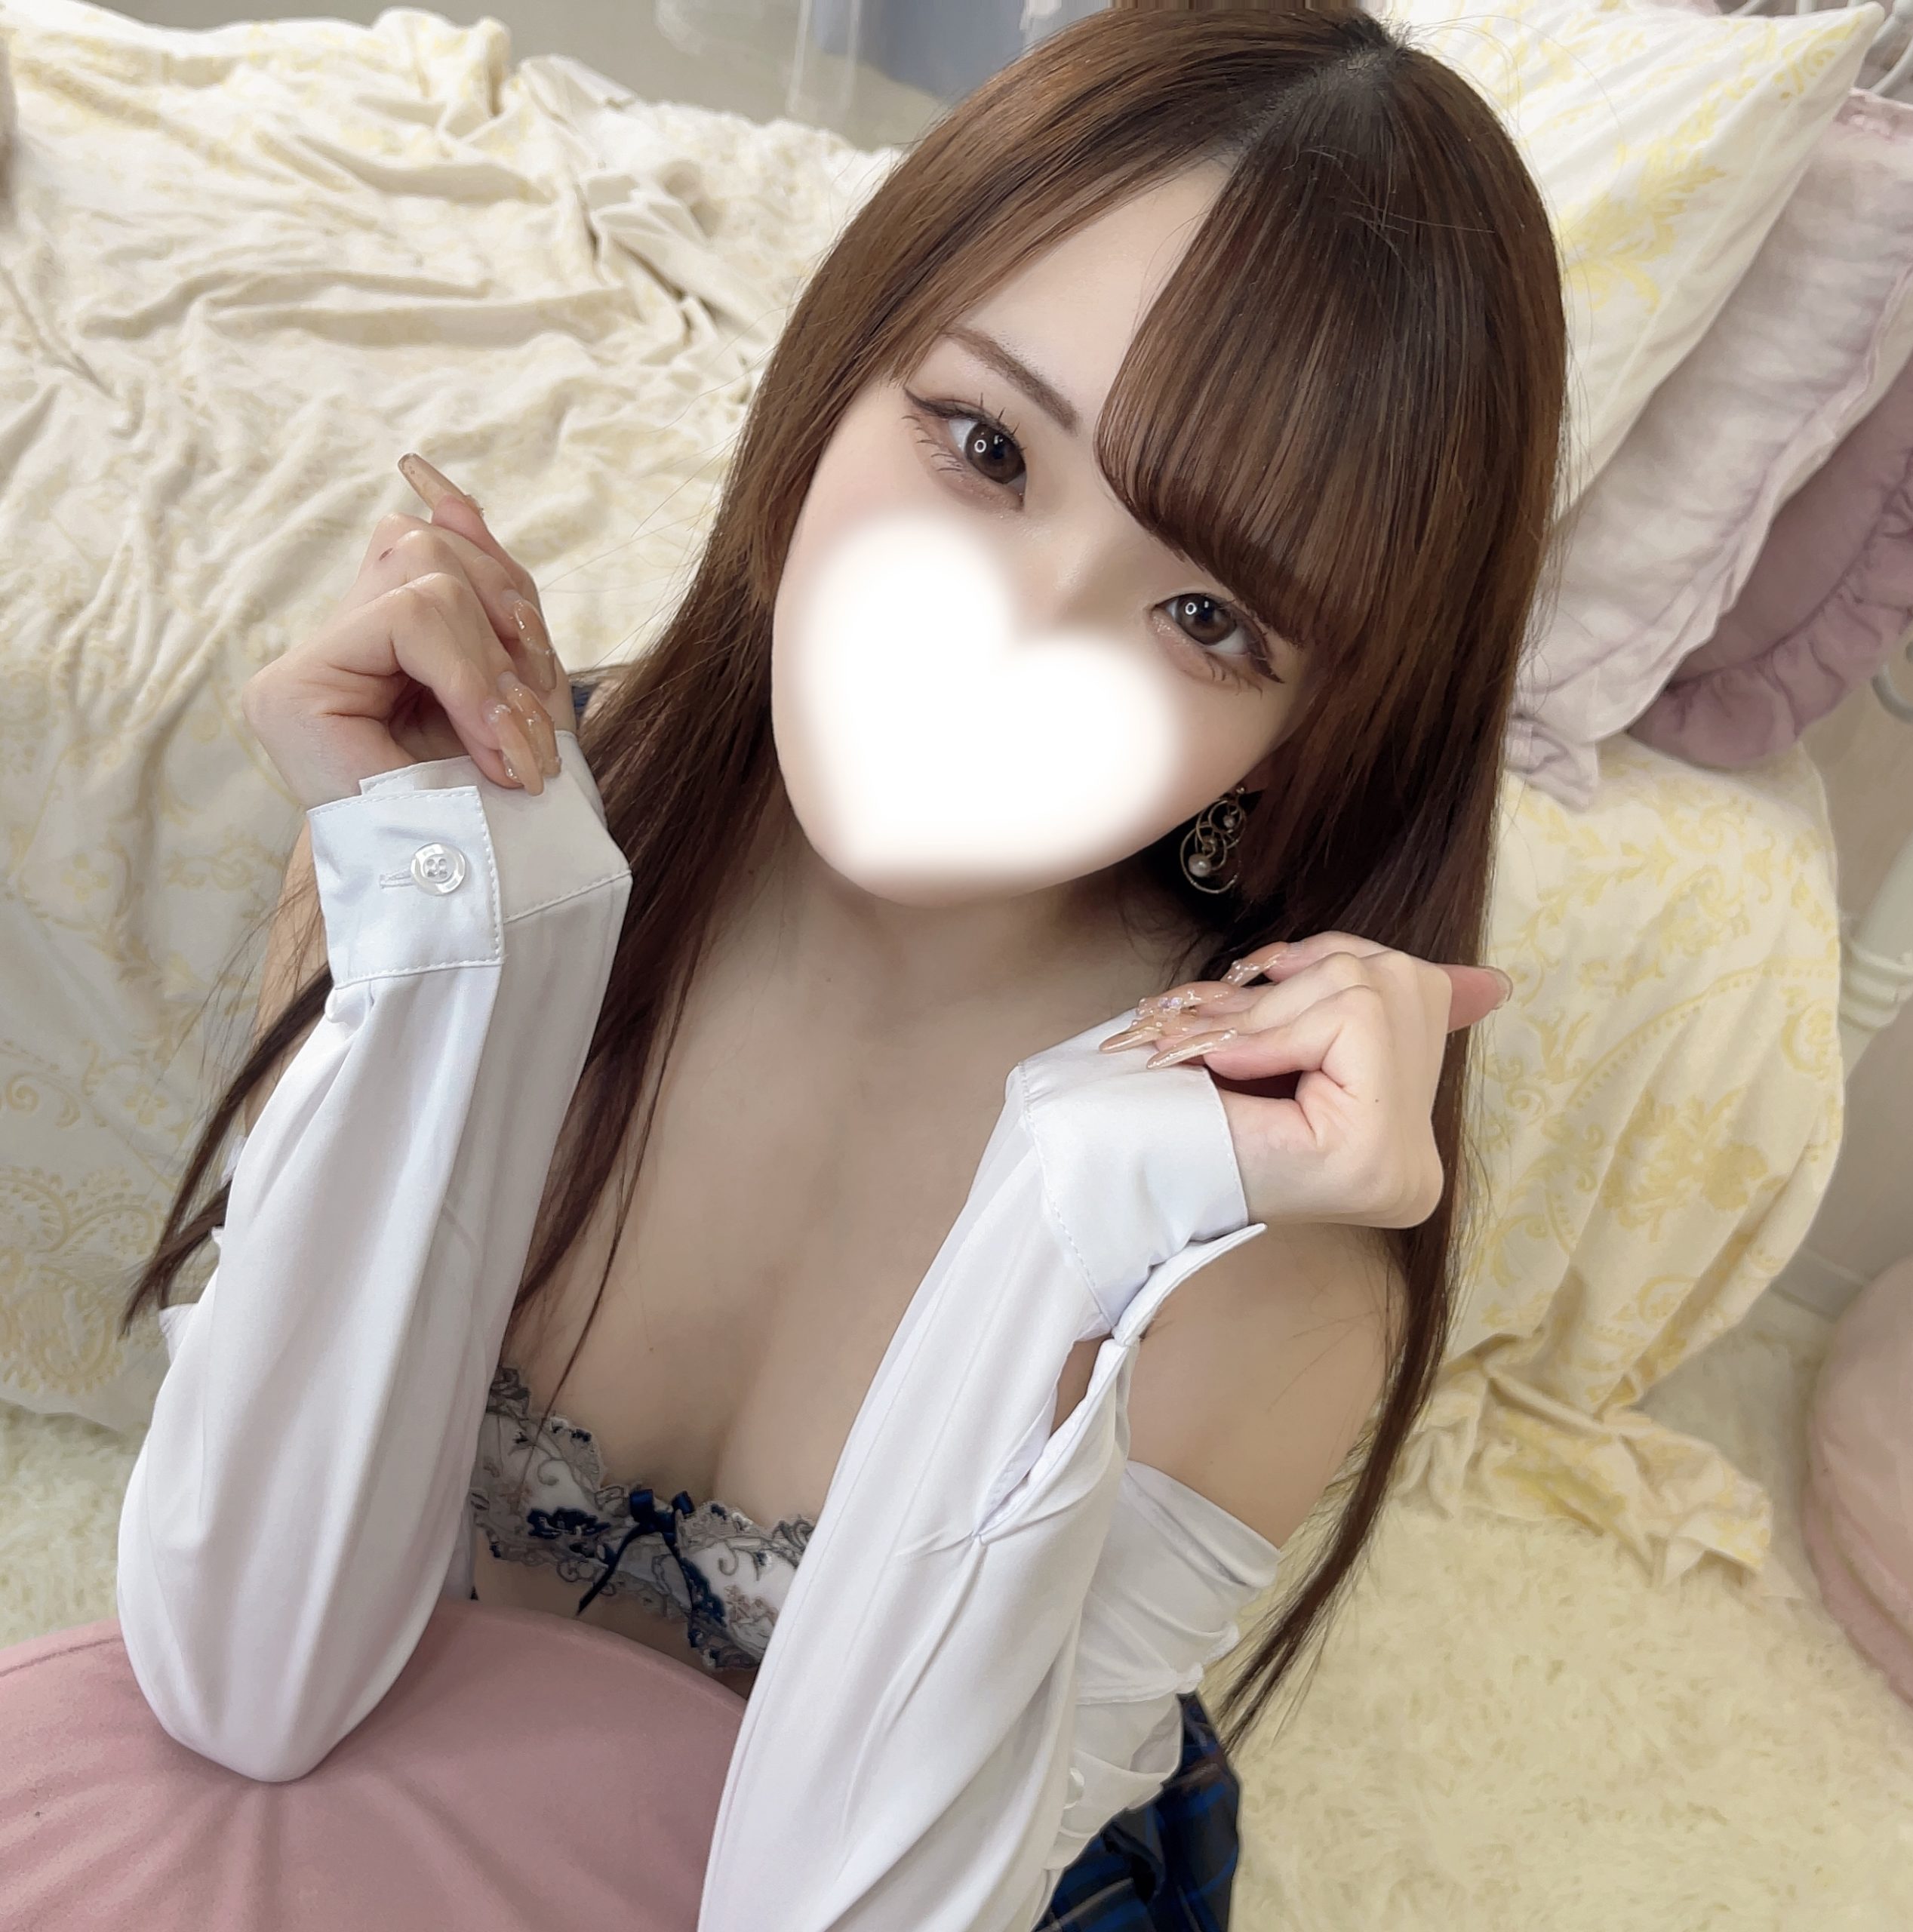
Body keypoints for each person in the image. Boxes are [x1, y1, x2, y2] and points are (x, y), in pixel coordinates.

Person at [94, 2, 1562, 1924]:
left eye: (1207, 613)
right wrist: (459, 946)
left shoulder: (1259, 1247)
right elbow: (239, 1679)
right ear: (829, 379)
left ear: (1304, 735)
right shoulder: (453, 845)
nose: (1013, 644)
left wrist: (1068, 1224)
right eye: (984, 444)